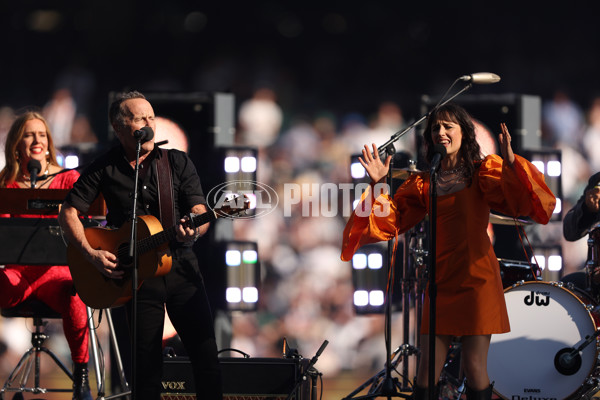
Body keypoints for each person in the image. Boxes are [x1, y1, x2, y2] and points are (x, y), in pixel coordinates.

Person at [341, 103, 556, 400]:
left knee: (474, 366)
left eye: (448, 126)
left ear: (464, 133)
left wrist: (509, 163)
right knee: (426, 371)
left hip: (477, 280)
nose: (441, 132)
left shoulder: (483, 172)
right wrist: (379, 183)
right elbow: (391, 222)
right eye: (435, 128)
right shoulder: (424, 182)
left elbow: (522, 202)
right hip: (440, 281)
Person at [58, 91, 222, 399]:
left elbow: (199, 210)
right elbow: (68, 211)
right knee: (145, 371)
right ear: (119, 128)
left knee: (206, 359)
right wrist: (90, 253)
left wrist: (194, 231)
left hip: (181, 269)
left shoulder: (176, 162)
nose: (148, 123)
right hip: (136, 277)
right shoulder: (104, 166)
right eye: (138, 118)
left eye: (151, 117)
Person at [0, 111, 92, 400]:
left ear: (49, 141)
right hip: (17, 273)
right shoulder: (6, 183)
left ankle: (81, 384)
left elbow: (87, 222)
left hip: (57, 274)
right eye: (28, 134)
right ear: (17, 143)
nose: (36, 140)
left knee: (75, 295)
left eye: (41, 134)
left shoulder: (68, 179)